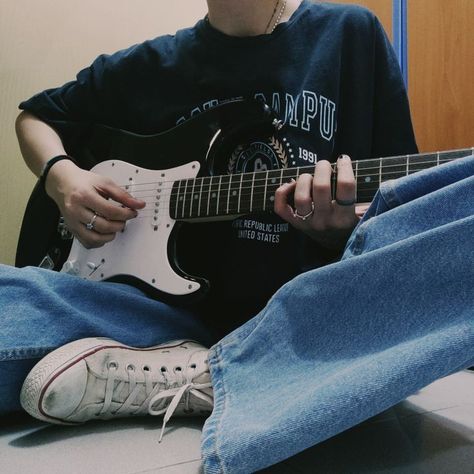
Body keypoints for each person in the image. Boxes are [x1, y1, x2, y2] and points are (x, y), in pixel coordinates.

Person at [3, 0, 473, 472]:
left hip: (301, 324)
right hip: (157, 318)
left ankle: (219, 371)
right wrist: (62, 178)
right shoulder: (149, 65)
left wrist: (342, 234)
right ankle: (231, 377)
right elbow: (35, 117)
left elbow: (405, 219)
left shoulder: (349, 34)